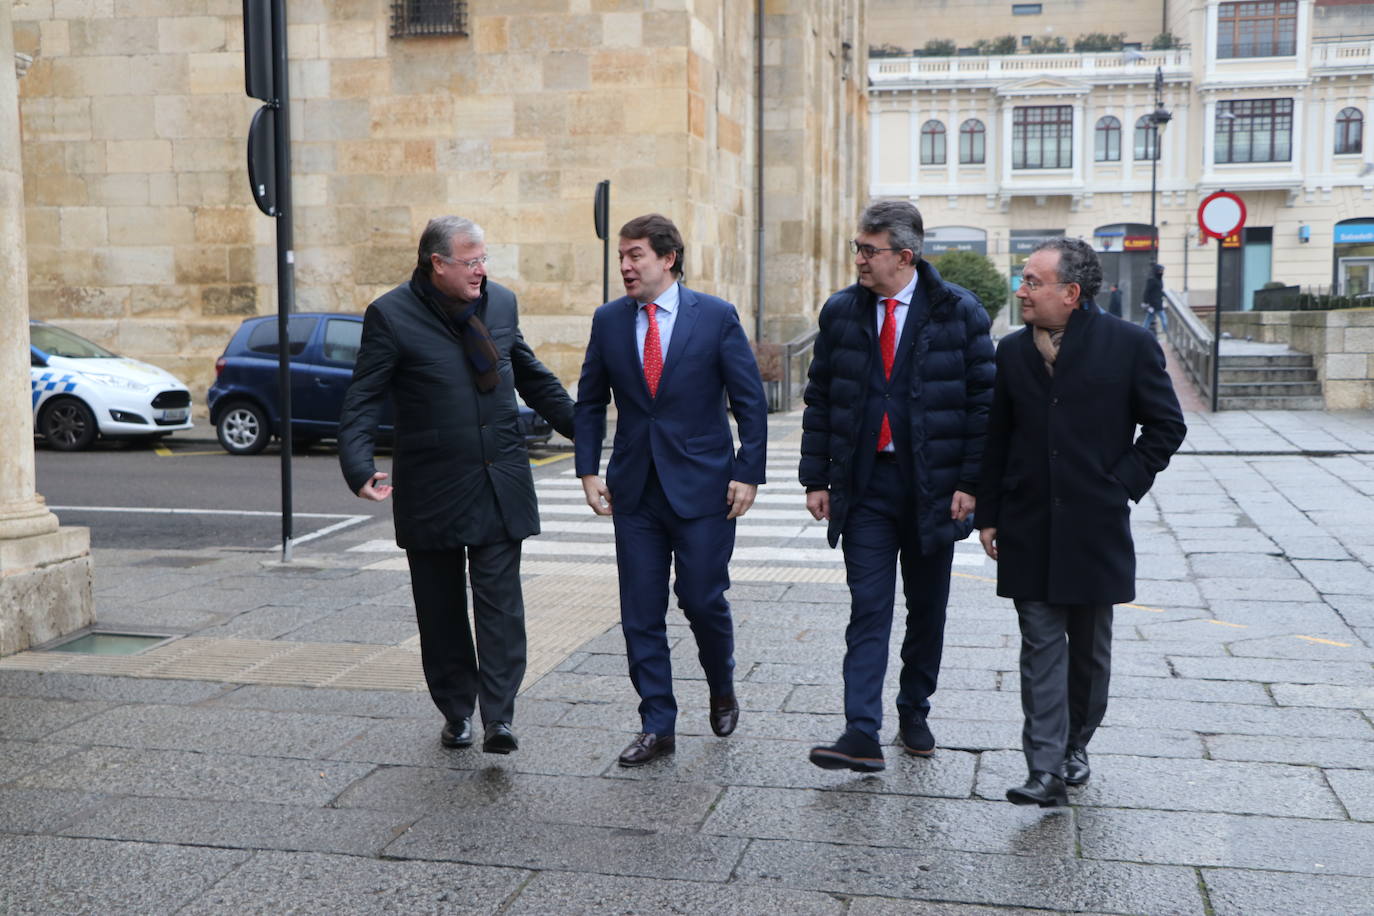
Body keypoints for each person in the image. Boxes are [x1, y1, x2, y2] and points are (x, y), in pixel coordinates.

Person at [338, 215, 575, 755]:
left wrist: (587, 432)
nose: (481, 270)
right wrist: (358, 466)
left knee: (500, 604)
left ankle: (499, 718)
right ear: (437, 263)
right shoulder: (391, 315)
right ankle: (456, 710)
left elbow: (530, 374)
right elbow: (363, 399)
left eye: (484, 259)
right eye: (471, 261)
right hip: (434, 486)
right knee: (441, 608)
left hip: (499, 477)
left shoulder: (502, 303)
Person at [976, 238, 1186, 807]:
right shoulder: (1012, 351)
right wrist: (989, 513)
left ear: (1070, 293)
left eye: (1032, 281)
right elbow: (997, 437)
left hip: (1095, 526)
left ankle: (1075, 744)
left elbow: (1166, 427)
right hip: (1028, 522)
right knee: (1039, 644)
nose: (1021, 289)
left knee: (1089, 653)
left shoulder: (1130, 345)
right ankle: (1043, 768)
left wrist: (1119, 484)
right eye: (1022, 279)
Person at [799, 200, 994, 772]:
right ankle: (861, 728)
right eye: (857, 248)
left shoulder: (958, 311)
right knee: (869, 607)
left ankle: (914, 707)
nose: (858, 258)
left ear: (905, 256)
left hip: (934, 488)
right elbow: (821, 397)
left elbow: (985, 404)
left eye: (869, 249)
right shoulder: (841, 312)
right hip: (866, 488)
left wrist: (970, 483)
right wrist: (816, 477)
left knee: (927, 607)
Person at [574, 213, 768, 767]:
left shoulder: (716, 317)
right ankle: (657, 723)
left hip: (705, 487)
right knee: (639, 610)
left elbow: (749, 402)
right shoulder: (610, 320)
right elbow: (589, 401)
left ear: (668, 258)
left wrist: (748, 471)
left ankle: (722, 684)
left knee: (702, 598)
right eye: (622, 257)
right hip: (635, 489)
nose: (625, 266)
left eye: (635, 255)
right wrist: (588, 469)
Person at [1140, 264, 1166, 333]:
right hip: (1153, 304)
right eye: (1160, 271)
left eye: (1162, 271)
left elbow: (1159, 291)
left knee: (1149, 319)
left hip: (1157, 303)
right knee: (1163, 318)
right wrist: (1145, 302)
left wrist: (1163, 295)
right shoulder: (1152, 280)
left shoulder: (1160, 280)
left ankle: (1142, 331)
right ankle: (1166, 332)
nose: (1162, 272)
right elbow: (1147, 291)